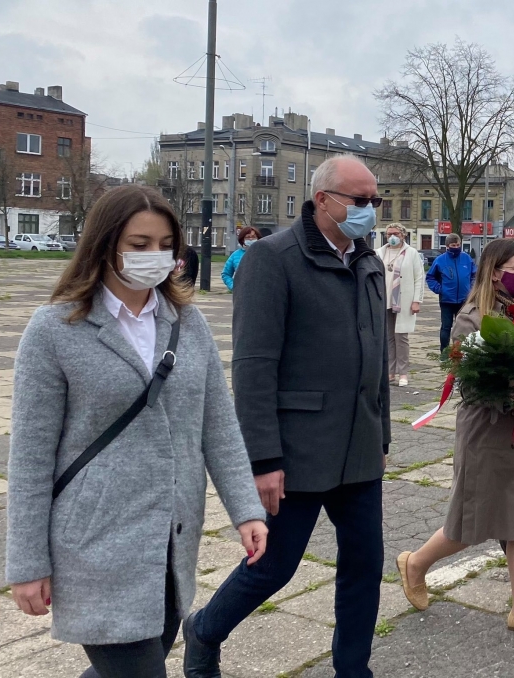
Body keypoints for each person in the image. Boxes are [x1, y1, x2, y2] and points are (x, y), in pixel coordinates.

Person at [6, 185, 267, 678]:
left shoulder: (187, 323)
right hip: (94, 542)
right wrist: (26, 563)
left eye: (166, 244)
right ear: (104, 244)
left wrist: (246, 510)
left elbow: (218, 426)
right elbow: (30, 459)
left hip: (171, 541)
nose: (156, 256)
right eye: (139, 244)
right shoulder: (54, 329)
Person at [184, 156, 390, 678]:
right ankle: (204, 630)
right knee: (273, 567)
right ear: (323, 200)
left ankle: (353, 671)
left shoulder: (369, 261)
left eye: (375, 200)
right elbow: (254, 367)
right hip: (298, 450)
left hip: (360, 447)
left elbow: (377, 356)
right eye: (360, 200)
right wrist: (263, 458)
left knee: (365, 566)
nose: (369, 209)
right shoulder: (272, 259)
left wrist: (382, 433)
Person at [397, 238, 514, 640]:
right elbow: (473, 387)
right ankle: (416, 563)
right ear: (494, 273)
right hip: (487, 430)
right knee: (472, 519)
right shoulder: (471, 318)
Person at [376, 222, 425, 387]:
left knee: (401, 337)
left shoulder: (411, 253)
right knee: (388, 337)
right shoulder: (379, 253)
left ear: (403, 235)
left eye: (396, 234)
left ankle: (403, 372)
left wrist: (417, 300)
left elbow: (419, 277)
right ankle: (390, 372)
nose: (392, 237)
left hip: (403, 300)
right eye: (389, 234)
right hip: (385, 300)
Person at [426, 233, 476, 351]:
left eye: (458, 245)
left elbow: (474, 275)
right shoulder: (440, 260)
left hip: (464, 300)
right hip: (446, 300)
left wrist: (471, 289)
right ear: (447, 246)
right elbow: (430, 277)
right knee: (446, 327)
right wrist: (440, 289)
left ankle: (463, 351)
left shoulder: (466, 258)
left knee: (464, 327)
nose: (456, 247)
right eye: (453, 245)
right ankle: (444, 352)